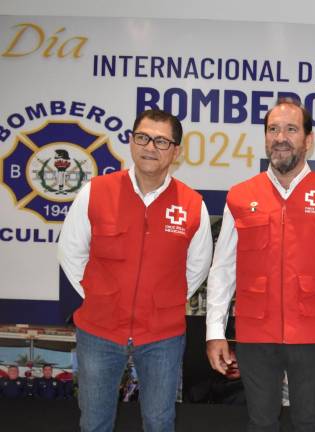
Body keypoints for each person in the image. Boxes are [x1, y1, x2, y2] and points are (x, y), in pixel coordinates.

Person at [205, 98, 315, 432]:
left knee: (308, 421)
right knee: (260, 422)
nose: (280, 137)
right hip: (254, 333)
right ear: (265, 138)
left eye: (291, 129)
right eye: (273, 129)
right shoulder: (239, 196)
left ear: (309, 140)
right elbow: (223, 269)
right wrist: (215, 332)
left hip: (313, 332)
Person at [58, 109, 213, 432]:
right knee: (95, 421)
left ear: (176, 151)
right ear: (131, 142)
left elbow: (197, 266)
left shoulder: (191, 204)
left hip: (162, 336)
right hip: (99, 330)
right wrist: (99, 295)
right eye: (142, 137)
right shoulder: (95, 192)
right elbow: (71, 251)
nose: (149, 147)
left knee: (159, 421)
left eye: (160, 141)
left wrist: (165, 300)